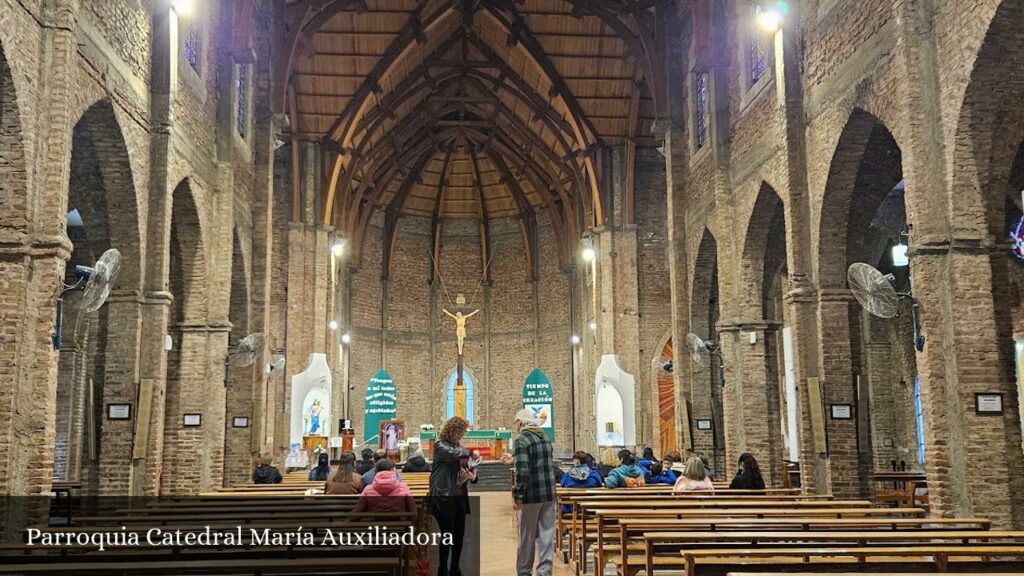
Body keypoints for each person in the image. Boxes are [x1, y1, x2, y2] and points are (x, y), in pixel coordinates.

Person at [511, 408, 556, 576]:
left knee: (527, 536)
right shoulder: (544, 437)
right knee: (547, 535)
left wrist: (518, 496)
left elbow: (522, 471)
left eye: (516, 423)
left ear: (521, 423)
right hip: (549, 494)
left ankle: (524, 572)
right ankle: (545, 572)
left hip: (531, 495)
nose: (515, 427)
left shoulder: (522, 439)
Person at [429, 417, 477, 576]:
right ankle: (442, 569)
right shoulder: (440, 445)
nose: (463, 435)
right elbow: (453, 454)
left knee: (459, 534)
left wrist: (473, 475)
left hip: (459, 497)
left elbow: (467, 466)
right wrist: (470, 452)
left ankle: (455, 567)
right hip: (444, 496)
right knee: (447, 534)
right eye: (461, 431)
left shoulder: (458, 446)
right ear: (454, 430)